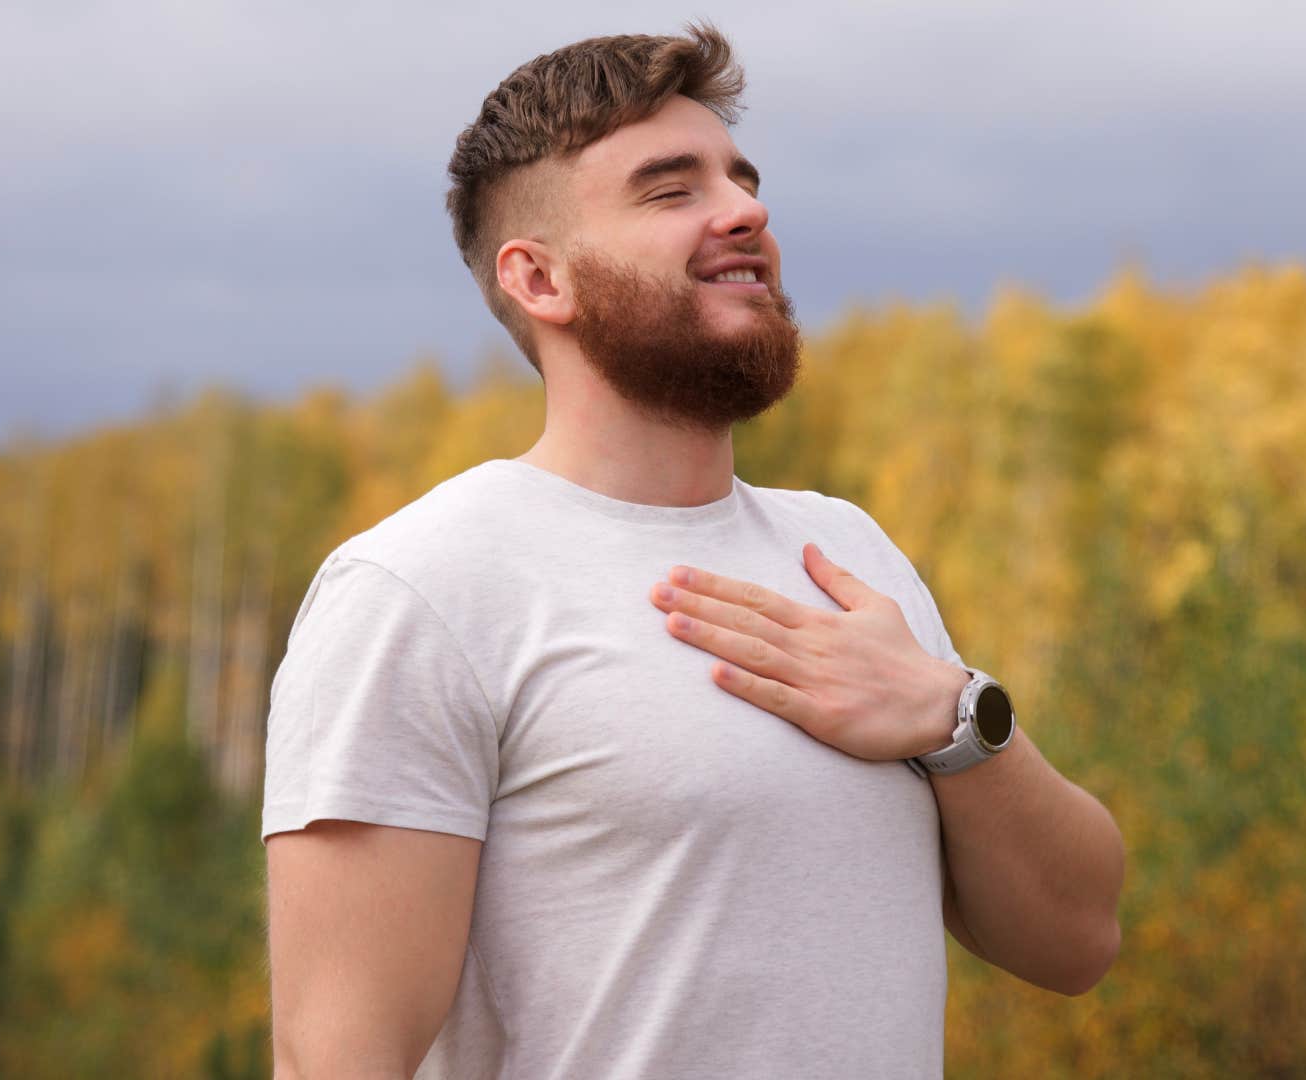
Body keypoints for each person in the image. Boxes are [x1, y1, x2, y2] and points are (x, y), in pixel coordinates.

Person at [262, 23, 1124, 1080]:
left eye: (740, 179)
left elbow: (1078, 942)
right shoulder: (421, 589)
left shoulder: (845, 553)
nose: (745, 210)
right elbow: (335, 1059)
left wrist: (957, 723)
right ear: (539, 281)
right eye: (672, 191)